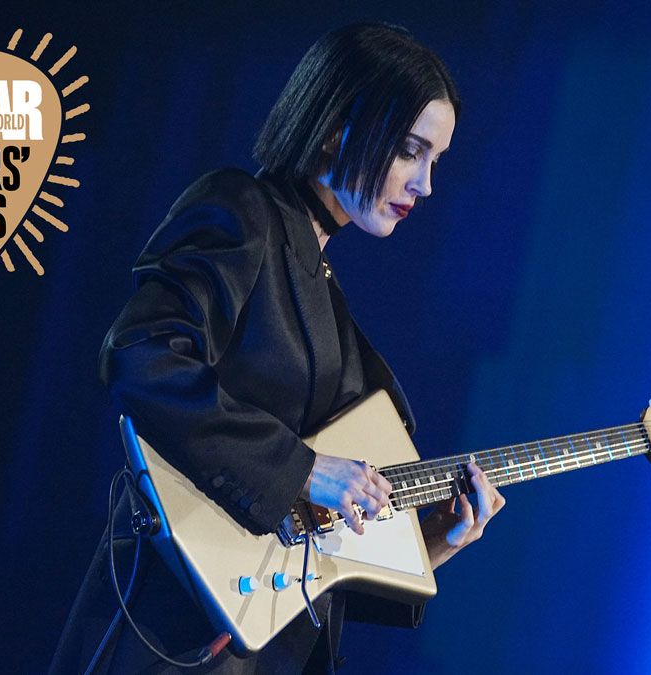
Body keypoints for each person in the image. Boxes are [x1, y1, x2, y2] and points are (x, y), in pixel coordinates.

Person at [52, 22, 506, 674]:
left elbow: (315, 560)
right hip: (174, 635)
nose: (426, 184)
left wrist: (437, 541)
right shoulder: (240, 209)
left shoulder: (327, 296)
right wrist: (300, 468)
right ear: (335, 125)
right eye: (410, 151)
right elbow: (142, 355)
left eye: (435, 160)